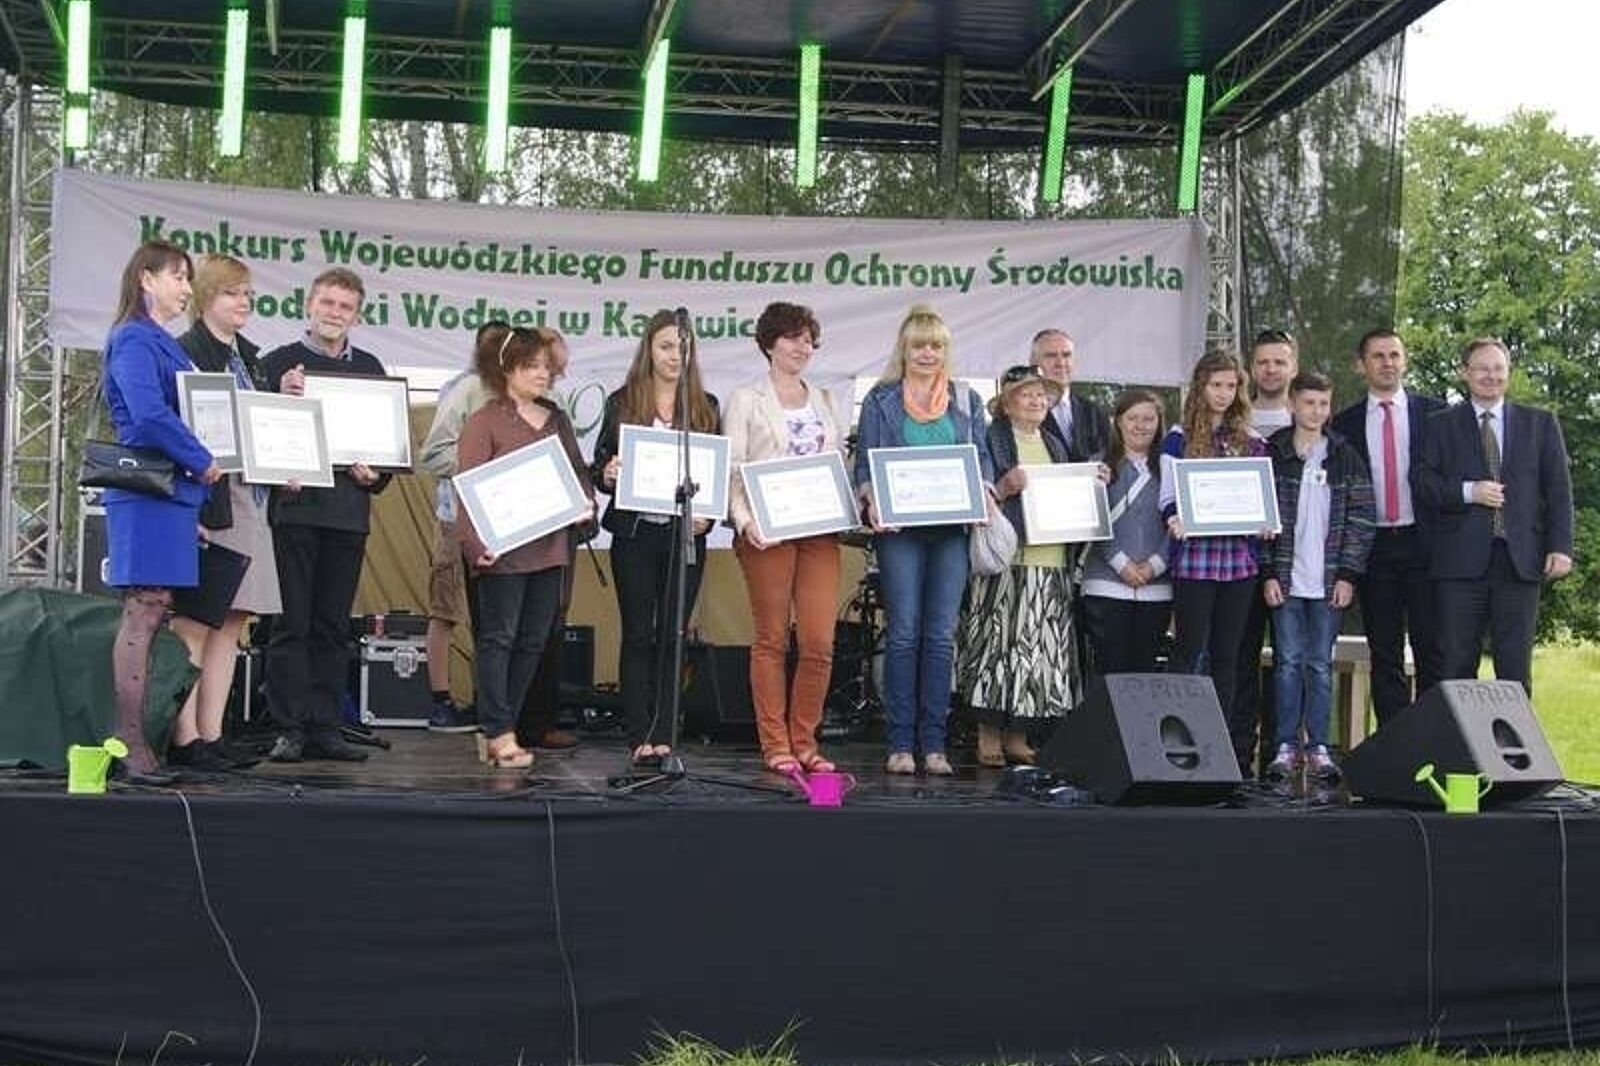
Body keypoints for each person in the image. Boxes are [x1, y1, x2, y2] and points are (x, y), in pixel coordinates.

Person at [99, 240, 221, 783]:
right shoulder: (133, 338)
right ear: (146, 279)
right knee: (144, 610)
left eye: (188, 278)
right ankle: (130, 744)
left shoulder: (161, 342)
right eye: (178, 276)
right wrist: (202, 459)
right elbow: (147, 414)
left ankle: (140, 740)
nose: (187, 288)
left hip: (168, 497)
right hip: (147, 494)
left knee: (156, 610)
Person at [258, 268, 391, 763]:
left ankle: (327, 727)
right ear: (309, 305)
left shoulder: (372, 368)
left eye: (345, 306)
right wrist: (280, 398)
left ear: (357, 315)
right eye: (328, 303)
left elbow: (386, 450)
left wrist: (374, 475)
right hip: (294, 512)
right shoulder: (277, 364)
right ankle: (289, 728)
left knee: (334, 626)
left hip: (347, 514)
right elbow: (257, 435)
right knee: (290, 624)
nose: (335, 313)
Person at [856, 304, 994, 776]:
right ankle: (900, 743)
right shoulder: (880, 400)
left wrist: (985, 490)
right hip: (900, 534)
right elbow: (865, 463)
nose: (927, 353)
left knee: (940, 636)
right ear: (904, 349)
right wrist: (870, 498)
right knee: (904, 634)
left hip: (951, 533)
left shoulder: (966, 399)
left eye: (936, 345)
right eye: (919, 345)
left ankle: (934, 745)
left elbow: (982, 459)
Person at [455, 327, 595, 769]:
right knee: (499, 638)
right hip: (504, 551)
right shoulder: (484, 421)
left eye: (546, 367)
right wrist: (476, 544)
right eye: (531, 366)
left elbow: (577, 474)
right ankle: (498, 729)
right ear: (505, 369)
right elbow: (467, 489)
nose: (542, 374)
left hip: (551, 548)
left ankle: (503, 727)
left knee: (535, 641)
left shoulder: (556, 419)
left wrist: (585, 503)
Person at [590, 309, 720, 767]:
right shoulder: (623, 401)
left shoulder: (706, 405)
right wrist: (607, 474)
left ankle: (666, 731)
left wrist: (708, 517)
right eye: (665, 346)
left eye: (683, 347)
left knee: (674, 634)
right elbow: (600, 465)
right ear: (649, 349)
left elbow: (716, 473)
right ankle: (638, 732)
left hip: (685, 537)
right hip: (636, 534)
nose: (674, 356)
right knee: (638, 634)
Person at [168, 254, 280, 771]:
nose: (244, 302)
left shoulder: (250, 360)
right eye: (233, 292)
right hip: (210, 496)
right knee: (196, 620)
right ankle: (184, 734)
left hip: (251, 498)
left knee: (232, 621)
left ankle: (213, 733)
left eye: (248, 294)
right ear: (206, 297)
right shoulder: (187, 353)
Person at [725, 302, 847, 774]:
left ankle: (805, 740)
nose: (803, 347)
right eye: (794, 338)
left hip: (819, 531)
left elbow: (837, 465)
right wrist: (744, 521)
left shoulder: (826, 399)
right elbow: (734, 468)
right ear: (769, 344)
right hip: (767, 531)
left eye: (809, 340)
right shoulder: (746, 398)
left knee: (818, 641)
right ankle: (776, 744)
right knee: (772, 639)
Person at [1414, 337, 1574, 693]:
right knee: (1456, 666)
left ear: (1509, 372)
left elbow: (1558, 491)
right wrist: (1468, 491)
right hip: (1458, 566)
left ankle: (1512, 733)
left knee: (1514, 667)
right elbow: (1423, 484)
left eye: (1499, 368)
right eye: (1482, 368)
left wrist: (1561, 547)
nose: (1491, 376)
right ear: (1465, 372)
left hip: (1519, 563)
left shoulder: (1540, 424)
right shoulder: (1439, 425)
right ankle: (1458, 733)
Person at [956, 364, 1078, 767]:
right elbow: (979, 489)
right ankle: (988, 735)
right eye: (1026, 394)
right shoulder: (992, 439)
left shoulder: (1055, 444)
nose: (1036, 400)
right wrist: (1004, 487)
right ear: (1007, 405)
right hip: (1007, 559)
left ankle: (1018, 736)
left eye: (1041, 394)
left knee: (1036, 652)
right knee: (995, 645)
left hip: (1051, 559)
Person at [1258, 372, 1375, 782]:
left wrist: (1348, 574)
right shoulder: (1273, 452)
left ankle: (1319, 746)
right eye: (1309, 403)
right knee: (1287, 663)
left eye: (1324, 404)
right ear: (1292, 404)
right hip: (1285, 579)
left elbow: (1362, 519)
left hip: (1327, 581)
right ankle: (1285, 745)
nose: (1316, 411)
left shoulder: (1345, 455)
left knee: (1320, 665)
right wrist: (1267, 572)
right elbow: (1259, 516)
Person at [1329, 328, 1446, 726]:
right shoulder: (1343, 424)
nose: (1387, 363)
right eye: (1378, 356)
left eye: (1394, 355)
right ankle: (1396, 743)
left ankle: (1431, 737)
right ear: (1361, 365)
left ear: (1405, 361)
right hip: (1374, 547)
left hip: (1424, 544)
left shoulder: (1436, 414)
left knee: (1432, 648)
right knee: (1385, 653)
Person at [1160, 351, 1268, 774]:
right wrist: (1174, 518)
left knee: (1229, 655)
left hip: (1238, 562)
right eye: (1216, 385)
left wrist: (1265, 521)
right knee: (1188, 651)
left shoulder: (1251, 440)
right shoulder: (1179, 436)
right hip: (1195, 561)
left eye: (1231, 386)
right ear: (1200, 387)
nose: (1223, 393)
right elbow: (1168, 496)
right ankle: (1176, 741)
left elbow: (1261, 497)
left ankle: (1216, 743)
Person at [1235, 328, 1299, 772]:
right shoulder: (1236, 420)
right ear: (1251, 368)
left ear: (1293, 366)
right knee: (1240, 656)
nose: (1271, 369)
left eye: (1280, 361)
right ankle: (1239, 753)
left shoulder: (1312, 417)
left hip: (1297, 562)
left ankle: (1283, 753)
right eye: (1263, 362)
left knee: (1291, 660)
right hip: (1242, 558)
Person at [1081, 389, 1173, 676]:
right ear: (1118, 421)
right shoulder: (1097, 466)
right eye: (1133, 418)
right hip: (1105, 582)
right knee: (1109, 672)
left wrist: (1156, 564)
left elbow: (1178, 521)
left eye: (1148, 419)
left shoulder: (1171, 467)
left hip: (1157, 586)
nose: (1140, 425)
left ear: (1159, 423)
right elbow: (1093, 521)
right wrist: (1121, 563)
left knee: (1144, 674)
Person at [1030, 328, 1111, 462]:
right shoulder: (1020, 414)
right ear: (1034, 363)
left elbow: (1109, 459)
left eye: (1066, 355)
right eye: (1051, 356)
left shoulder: (1094, 412)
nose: (1061, 363)